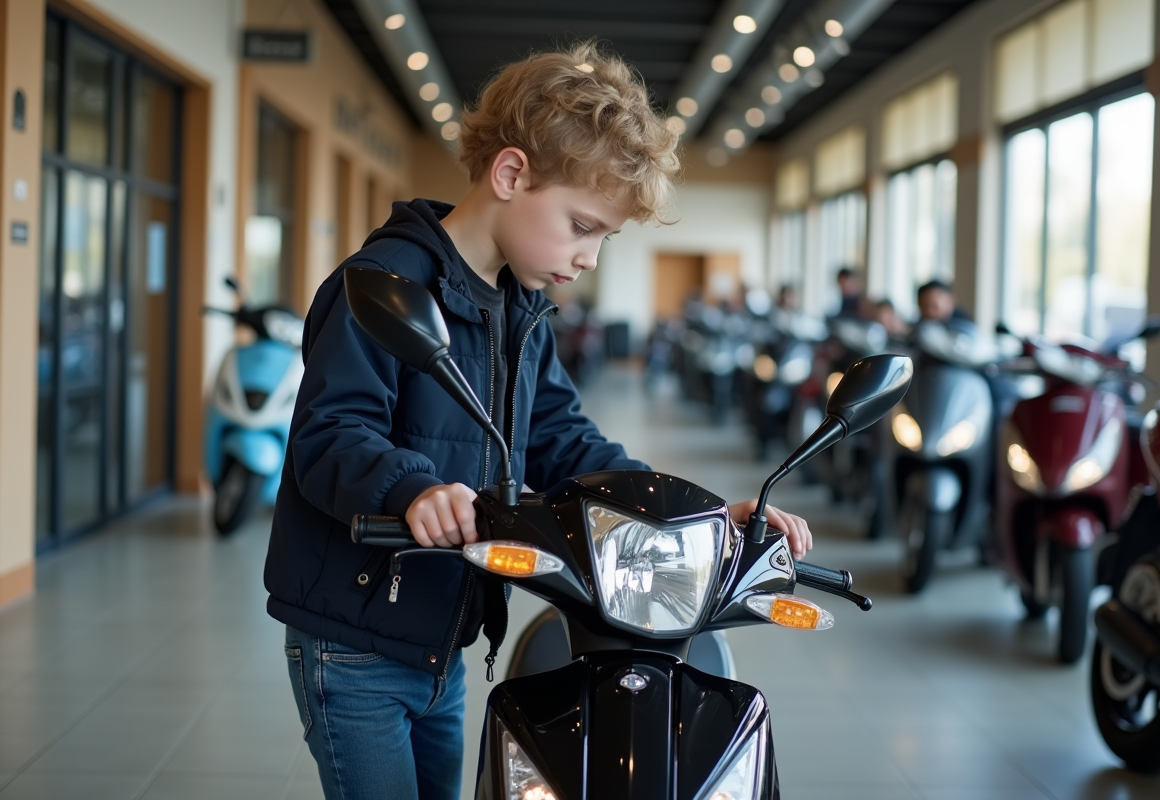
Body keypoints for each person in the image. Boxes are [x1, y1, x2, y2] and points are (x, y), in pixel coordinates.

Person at [263, 42, 814, 800]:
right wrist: (414, 490)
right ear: (512, 174)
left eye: (604, 238)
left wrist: (702, 516)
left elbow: (563, 439)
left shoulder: (518, 306)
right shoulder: (383, 286)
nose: (589, 257)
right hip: (355, 643)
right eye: (583, 225)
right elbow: (330, 436)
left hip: (439, 640)